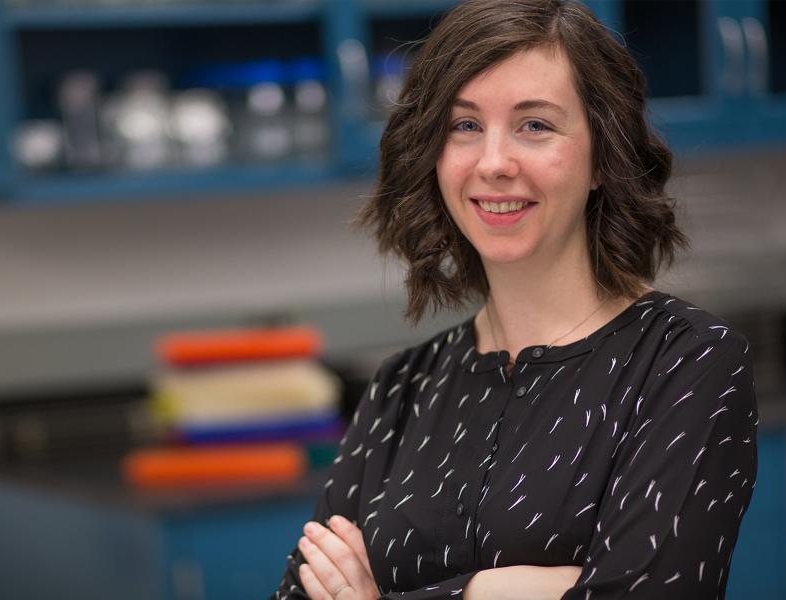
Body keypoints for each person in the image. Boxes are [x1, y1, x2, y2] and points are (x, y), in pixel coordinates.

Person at [272, 1, 759, 599]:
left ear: (603, 156)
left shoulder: (687, 364)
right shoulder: (404, 386)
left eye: (535, 125)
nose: (494, 163)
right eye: (465, 126)